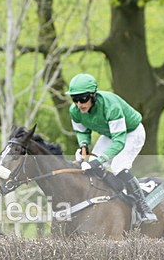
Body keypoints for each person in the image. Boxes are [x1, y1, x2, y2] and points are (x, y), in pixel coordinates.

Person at [67, 73, 158, 224]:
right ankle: (113, 196)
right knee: (93, 166)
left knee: (118, 166)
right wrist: (83, 146)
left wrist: (100, 160)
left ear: (93, 95)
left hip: (131, 133)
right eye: (75, 99)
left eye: (83, 99)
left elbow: (119, 142)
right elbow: (82, 132)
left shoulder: (110, 106)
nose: (79, 104)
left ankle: (145, 209)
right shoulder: (74, 111)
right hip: (109, 134)